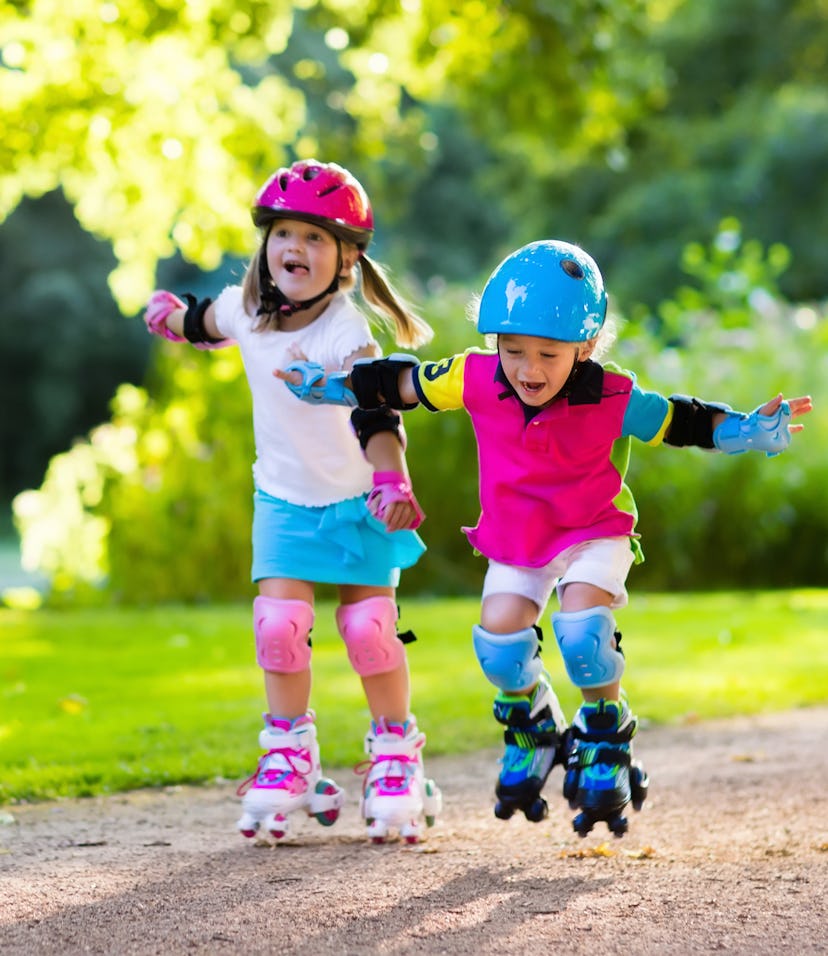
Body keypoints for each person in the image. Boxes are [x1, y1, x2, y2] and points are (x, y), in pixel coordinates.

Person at [282, 238, 813, 838]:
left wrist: (744, 430)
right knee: (498, 640)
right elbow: (398, 382)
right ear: (495, 344)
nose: (529, 370)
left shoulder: (613, 396)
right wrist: (331, 386)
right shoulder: (475, 378)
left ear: (585, 346)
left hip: (594, 531)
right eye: (513, 351)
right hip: (518, 535)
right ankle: (534, 724)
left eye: (549, 354)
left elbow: (683, 419)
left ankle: (605, 732)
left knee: (583, 628)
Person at [143, 159, 442, 845]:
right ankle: (290, 754)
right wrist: (173, 317)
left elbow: (376, 416)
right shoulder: (248, 310)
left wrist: (392, 480)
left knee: (371, 631)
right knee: (278, 625)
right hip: (282, 499)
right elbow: (206, 320)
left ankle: (396, 749)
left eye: (314, 237)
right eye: (283, 233)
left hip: (359, 499)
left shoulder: (346, 333)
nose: (294, 249)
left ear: (345, 259)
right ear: (265, 244)